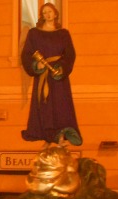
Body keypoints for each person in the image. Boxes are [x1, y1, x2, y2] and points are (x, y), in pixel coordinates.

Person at [20, 3, 82, 147]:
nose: (47, 14)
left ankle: (61, 135)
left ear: (55, 14)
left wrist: (62, 68)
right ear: (42, 16)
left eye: (50, 11)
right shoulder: (34, 33)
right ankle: (47, 136)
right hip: (43, 76)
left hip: (59, 77)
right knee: (44, 105)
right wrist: (37, 65)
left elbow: (70, 55)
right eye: (44, 12)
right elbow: (27, 55)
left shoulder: (63, 34)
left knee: (61, 105)